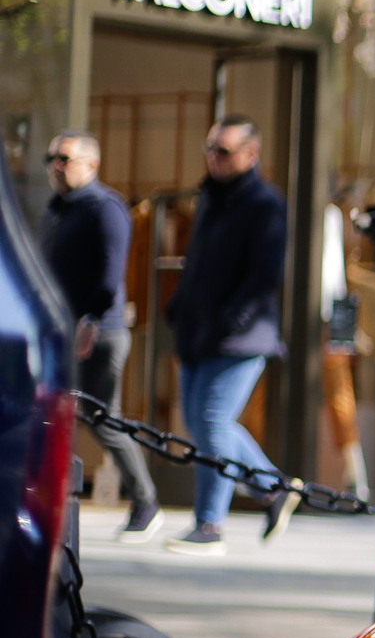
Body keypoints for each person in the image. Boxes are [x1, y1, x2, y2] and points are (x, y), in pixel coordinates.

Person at [163, 116, 294, 556]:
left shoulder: (264, 204)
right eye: (210, 149)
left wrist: (229, 320)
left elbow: (264, 277)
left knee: (215, 422)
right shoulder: (211, 198)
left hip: (241, 338)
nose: (214, 159)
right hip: (199, 335)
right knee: (202, 424)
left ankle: (210, 525)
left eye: (224, 151)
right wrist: (180, 307)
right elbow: (196, 262)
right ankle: (273, 488)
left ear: (250, 155)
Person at [38, 131, 161, 542]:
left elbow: (111, 272)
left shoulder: (103, 207)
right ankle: (46, 499)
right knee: (52, 413)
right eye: (51, 157)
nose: (56, 165)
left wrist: (90, 320)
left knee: (102, 418)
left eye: (65, 158)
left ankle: (146, 501)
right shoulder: (57, 210)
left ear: (91, 165)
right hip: (59, 334)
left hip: (98, 333)